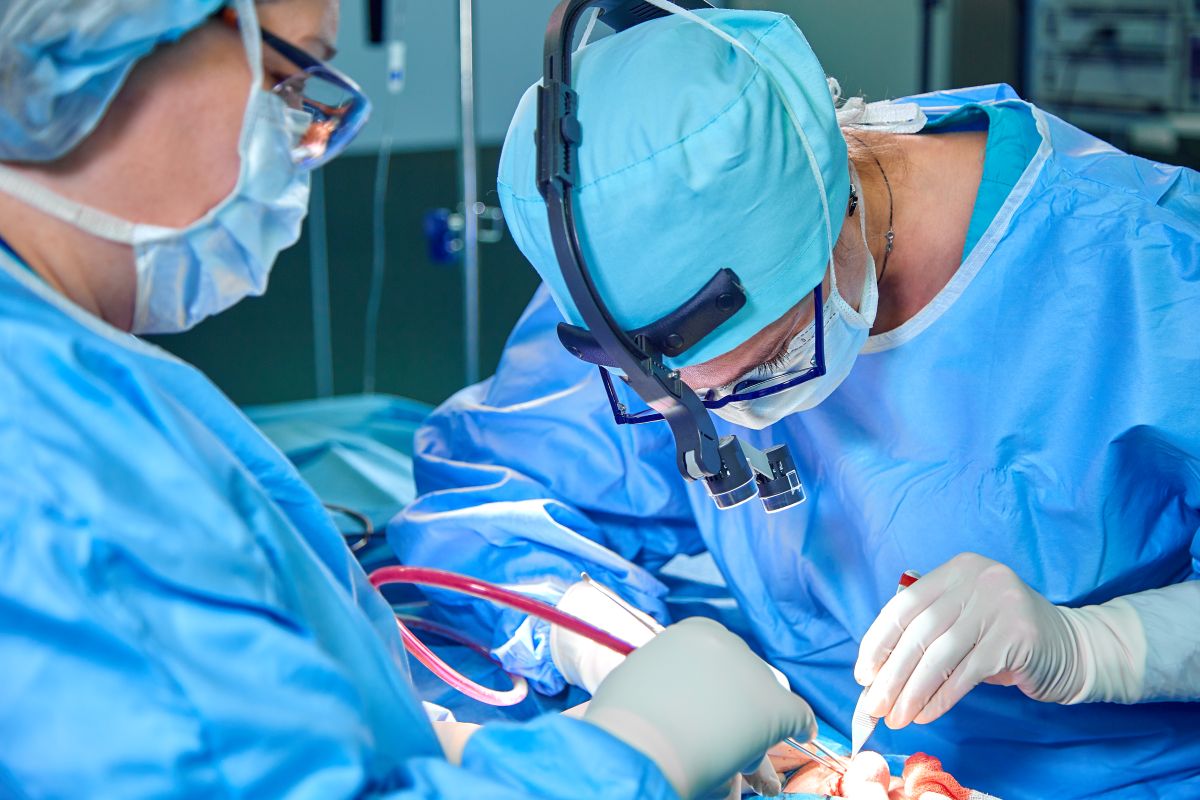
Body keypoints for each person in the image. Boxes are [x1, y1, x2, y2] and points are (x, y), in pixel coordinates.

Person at [0, 1, 818, 797]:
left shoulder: (74, 378)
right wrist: (630, 755)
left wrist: (440, 746)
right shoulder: (43, 465)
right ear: (104, 39)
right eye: (290, 80)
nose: (309, 139)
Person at [389, 6, 1200, 799]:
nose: (727, 415)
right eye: (681, 395)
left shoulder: (1153, 268)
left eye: (767, 361)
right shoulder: (635, 266)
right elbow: (494, 502)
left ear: (837, 213)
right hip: (805, 753)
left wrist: (1094, 646)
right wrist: (620, 654)